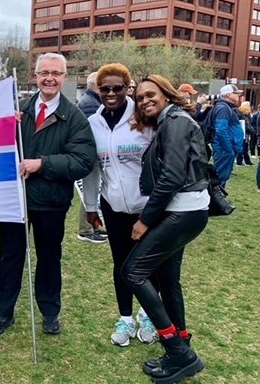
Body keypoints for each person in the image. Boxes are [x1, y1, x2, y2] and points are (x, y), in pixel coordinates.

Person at [0, 53, 96, 336]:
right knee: (10, 256)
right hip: (16, 200)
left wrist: (43, 164)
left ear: (64, 78)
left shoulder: (74, 117)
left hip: (51, 202)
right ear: (35, 76)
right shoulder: (19, 110)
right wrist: (5, 129)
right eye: (44, 72)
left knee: (48, 258)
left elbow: (83, 160)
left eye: (56, 73)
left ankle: (49, 311)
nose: (49, 78)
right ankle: (3, 312)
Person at [125, 75, 208, 382]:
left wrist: (146, 219)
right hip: (187, 210)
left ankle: (178, 351)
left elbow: (172, 176)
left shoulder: (175, 122)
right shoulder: (171, 120)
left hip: (182, 212)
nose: (145, 100)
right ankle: (181, 342)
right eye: (140, 97)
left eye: (151, 94)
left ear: (167, 94)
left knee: (132, 272)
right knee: (168, 279)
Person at [81, 64, 157, 347]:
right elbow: (92, 170)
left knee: (148, 265)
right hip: (112, 206)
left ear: (128, 89)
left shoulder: (144, 119)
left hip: (147, 207)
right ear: (97, 90)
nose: (111, 93)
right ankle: (125, 318)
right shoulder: (94, 123)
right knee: (122, 265)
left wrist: (155, 209)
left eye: (117, 88)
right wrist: (91, 206)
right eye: (105, 89)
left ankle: (149, 316)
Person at [76, 71, 108, 244]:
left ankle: (94, 227)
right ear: (97, 86)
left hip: (92, 155)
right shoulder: (91, 104)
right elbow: (93, 133)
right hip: (91, 156)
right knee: (89, 192)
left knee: (93, 192)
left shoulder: (91, 101)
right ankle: (87, 229)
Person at [211, 84, 243, 186]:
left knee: (222, 178)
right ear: (228, 94)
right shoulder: (224, 108)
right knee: (220, 179)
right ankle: (216, 200)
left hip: (225, 148)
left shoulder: (225, 107)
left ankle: (219, 199)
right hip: (223, 149)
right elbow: (220, 130)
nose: (239, 96)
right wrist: (228, 149)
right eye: (236, 93)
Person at [236, 101, 253, 166]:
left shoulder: (246, 116)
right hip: (243, 134)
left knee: (245, 148)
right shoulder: (242, 116)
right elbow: (247, 125)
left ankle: (246, 161)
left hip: (246, 134)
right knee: (242, 148)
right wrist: (252, 130)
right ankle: (239, 161)